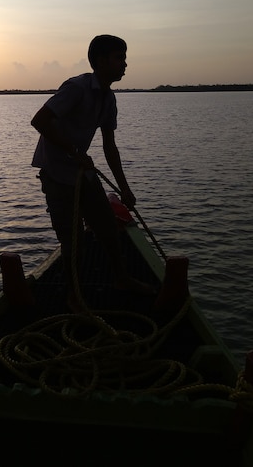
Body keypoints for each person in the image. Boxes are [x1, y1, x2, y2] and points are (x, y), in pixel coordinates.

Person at [31, 34, 154, 312]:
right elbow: (39, 121)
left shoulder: (108, 99)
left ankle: (121, 279)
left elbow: (109, 146)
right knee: (72, 240)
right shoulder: (76, 88)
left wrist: (125, 188)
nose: (125, 64)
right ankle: (74, 297)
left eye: (124, 58)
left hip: (82, 171)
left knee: (108, 228)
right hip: (58, 174)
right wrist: (73, 151)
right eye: (119, 58)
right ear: (101, 61)